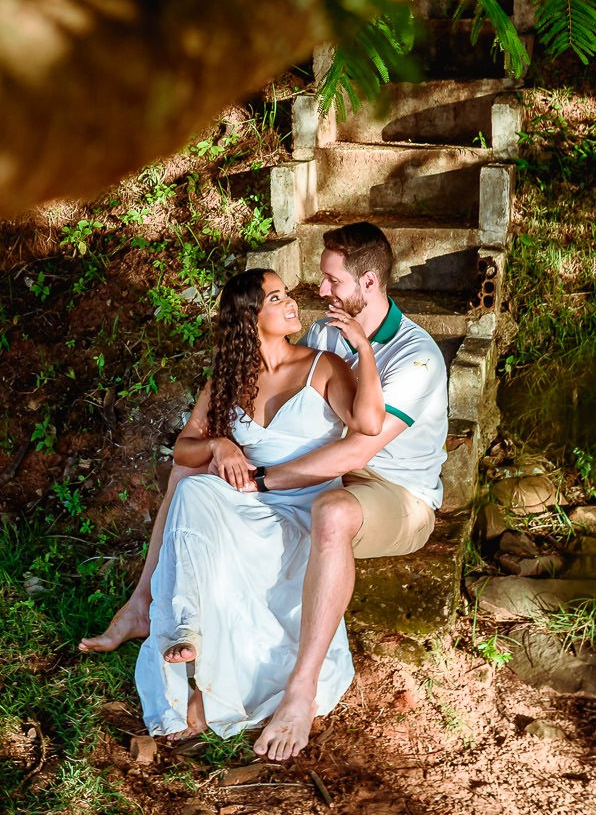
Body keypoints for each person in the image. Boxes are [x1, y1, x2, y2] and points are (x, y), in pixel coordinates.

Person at [88, 222, 450, 761]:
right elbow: (275, 393)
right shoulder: (325, 333)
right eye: (291, 293)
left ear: (368, 282)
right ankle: (148, 606)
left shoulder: (414, 357)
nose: (318, 292)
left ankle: (300, 690)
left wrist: (265, 480)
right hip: (315, 479)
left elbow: (356, 448)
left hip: (393, 492)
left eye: (330, 281)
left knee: (329, 510)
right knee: (192, 481)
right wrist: (220, 448)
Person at [131, 266, 388, 741]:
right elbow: (185, 448)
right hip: (248, 501)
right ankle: (186, 630)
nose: (292, 304)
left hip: (305, 505)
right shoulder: (229, 379)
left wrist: (364, 350)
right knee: (192, 489)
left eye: (287, 295)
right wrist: (218, 447)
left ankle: (242, 686)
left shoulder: (322, 367)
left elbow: (369, 423)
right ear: (249, 319)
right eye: (276, 298)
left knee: (207, 503)